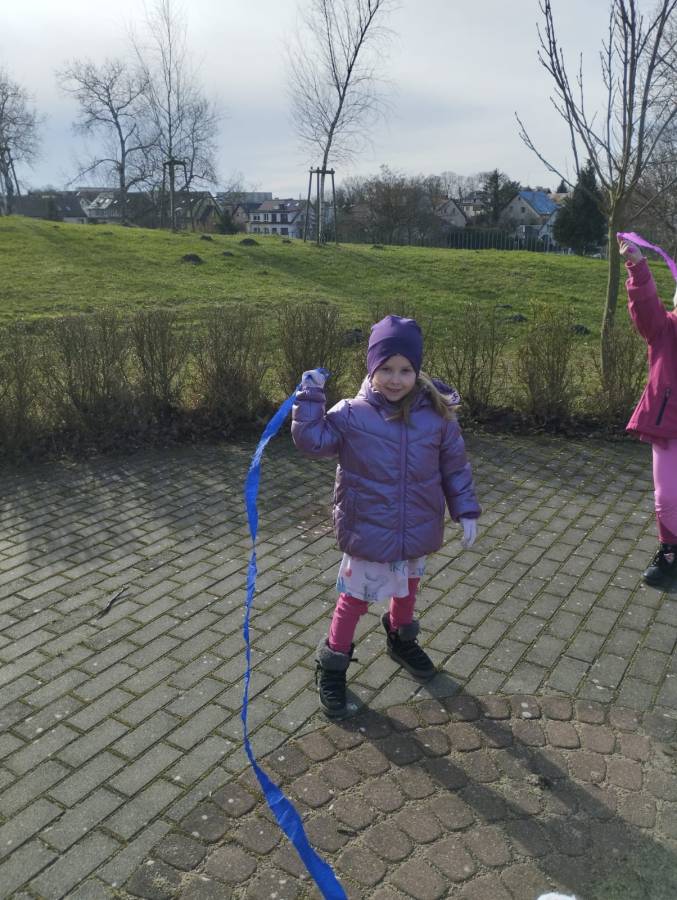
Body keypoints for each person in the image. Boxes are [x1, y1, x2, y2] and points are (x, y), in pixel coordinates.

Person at [291, 314, 481, 717]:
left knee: (408, 587)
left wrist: (465, 509)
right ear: (371, 368)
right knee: (354, 600)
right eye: (386, 369)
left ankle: (400, 639)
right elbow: (312, 441)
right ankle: (333, 663)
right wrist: (309, 397)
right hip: (369, 531)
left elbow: (455, 467)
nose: (396, 379)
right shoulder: (352, 414)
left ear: (417, 370)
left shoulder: (436, 416)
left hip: (415, 528)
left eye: (405, 370)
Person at [619, 236, 677, 586]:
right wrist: (638, 266)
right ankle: (670, 553)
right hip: (668, 427)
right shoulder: (664, 329)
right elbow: (645, 308)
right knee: (667, 495)